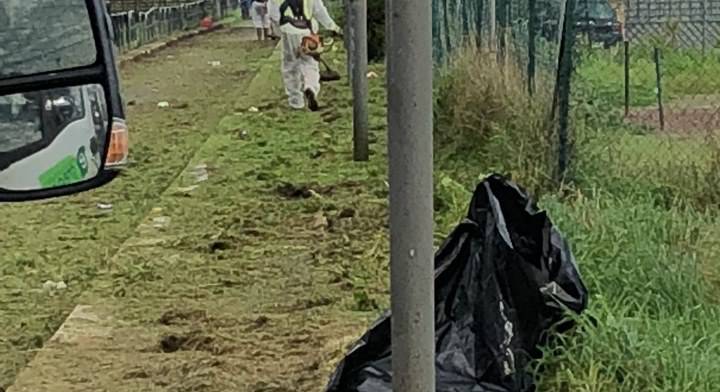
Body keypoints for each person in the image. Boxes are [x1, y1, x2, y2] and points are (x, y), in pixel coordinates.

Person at [268, 0, 342, 111]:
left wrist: (280, 30)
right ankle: (310, 87)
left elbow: (273, 14)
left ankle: (296, 101)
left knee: (290, 67)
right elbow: (320, 11)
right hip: (307, 31)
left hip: (288, 30)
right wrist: (333, 27)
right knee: (310, 64)